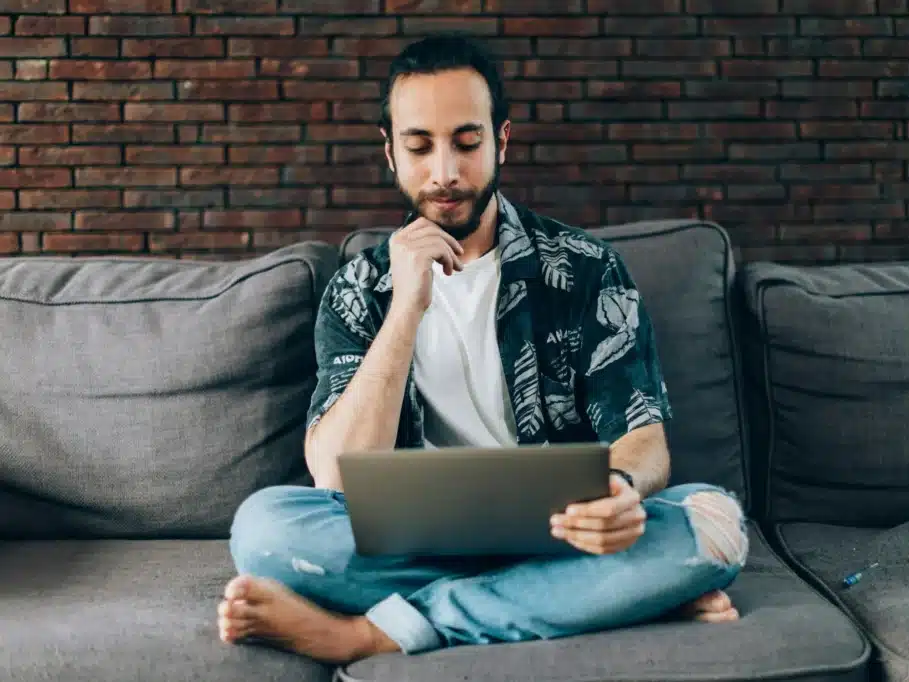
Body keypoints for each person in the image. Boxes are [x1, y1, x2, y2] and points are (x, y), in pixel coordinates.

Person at [216, 33, 749, 664]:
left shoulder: (585, 269)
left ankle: (374, 633)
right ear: (390, 154)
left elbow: (642, 437)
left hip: (562, 539)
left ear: (502, 141)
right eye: (420, 147)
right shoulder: (358, 288)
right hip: (414, 548)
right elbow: (335, 472)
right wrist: (407, 307)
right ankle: (595, 600)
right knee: (264, 528)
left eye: (467, 143)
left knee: (715, 524)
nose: (445, 172)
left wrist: (621, 489)